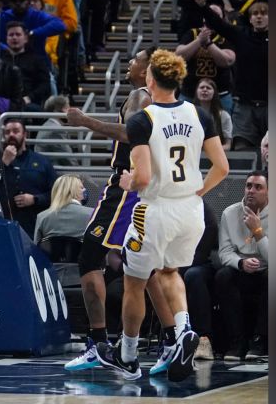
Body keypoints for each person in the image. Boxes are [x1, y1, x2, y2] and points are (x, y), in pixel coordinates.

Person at [94, 50, 229, 382]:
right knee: (170, 272)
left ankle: (127, 356)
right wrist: (196, 191)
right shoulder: (200, 114)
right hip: (191, 209)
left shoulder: (142, 119)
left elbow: (140, 178)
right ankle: (183, 330)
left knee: (134, 282)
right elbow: (223, 168)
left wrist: (128, 180)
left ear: (150, 80)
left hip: (155, 209)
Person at [62, 46, 178, 374]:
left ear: (148, 68)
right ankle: (171, 339)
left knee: (90, 259)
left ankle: (98, 343)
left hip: (126, 188)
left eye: (135, 59)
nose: (129, 63)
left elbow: (131, 133)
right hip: (147, 187)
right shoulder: (165, 100)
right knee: (142, 265)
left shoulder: (141, 96)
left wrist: (86, 122)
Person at [193, 0, 268, 152]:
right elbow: (218, 24)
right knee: (241, 148)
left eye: (264, 13)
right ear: (250, 18)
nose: (259, 17)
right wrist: (202, 5)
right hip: (245, 103)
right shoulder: (241, 35)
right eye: (255, 14)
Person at [216, 171, 269, 361]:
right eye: (248, 186)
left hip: (267, 271)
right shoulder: (230, 213)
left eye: (258, 187)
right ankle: (236, 341)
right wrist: (240, 263)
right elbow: (224, 252)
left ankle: (259, 340)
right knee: (223, 276)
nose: (251, 191)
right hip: (242, 269)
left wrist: (258, 233)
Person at [0, 118, 57, 237]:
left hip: (35, 225)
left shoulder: (42, 162)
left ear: (25, 134)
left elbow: (56, 193)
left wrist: (35, 199)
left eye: (16, 131)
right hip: (5, 223)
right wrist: (4, 164)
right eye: (7, 132)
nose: (11, 135)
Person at [33, 175, 94, 244]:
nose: (84, 190)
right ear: (73, 191)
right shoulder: (93, 214)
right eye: (81, 188)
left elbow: (36, 248)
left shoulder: (42, 216)